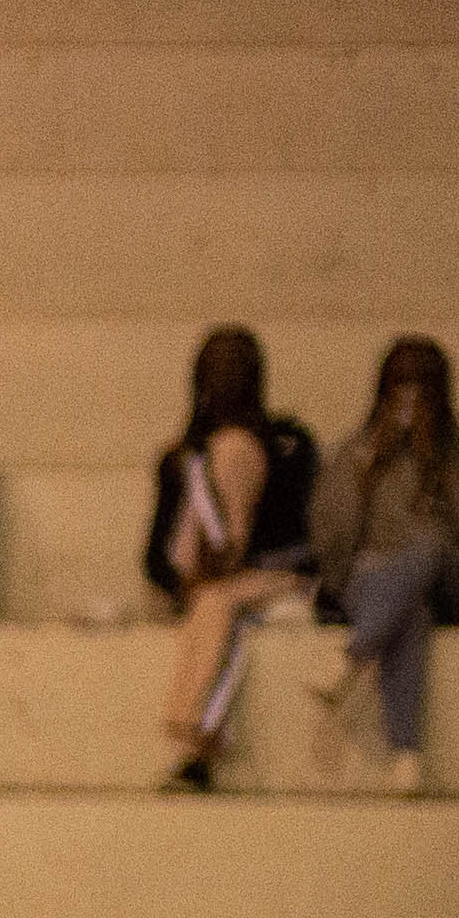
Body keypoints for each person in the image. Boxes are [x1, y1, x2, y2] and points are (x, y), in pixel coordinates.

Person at [301, 333, 459, 777]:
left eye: (424, 383)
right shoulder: (353, 452)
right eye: (401, 383)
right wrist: (367, 473)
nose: (412, 395)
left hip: (456, 584)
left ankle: (353, 657)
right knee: (408, 611)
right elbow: (331, 544)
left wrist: (438, 464)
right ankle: (406, 754)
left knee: (429, 547)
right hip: (376, 584)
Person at [149, 324, 323, 790]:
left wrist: (236, 563)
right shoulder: (182, 458)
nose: (226, 377)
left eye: (237, 366)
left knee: (222, 609)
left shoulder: (290, 443)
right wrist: (182, 578)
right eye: (216, 366)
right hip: (210, 589)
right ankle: (197, 749)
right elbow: (157, 555)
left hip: (279, 579)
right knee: (219, 609)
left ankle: (195, 739)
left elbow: (306, 533)